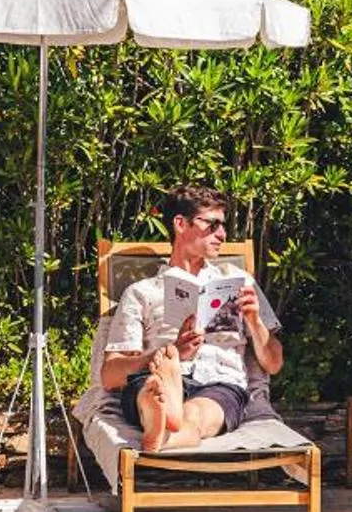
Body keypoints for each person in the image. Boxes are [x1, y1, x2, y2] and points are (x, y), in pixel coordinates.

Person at [101, 184, 284, 454]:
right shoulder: (142, 292)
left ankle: (161, 428)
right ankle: (161, 400)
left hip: (219, 384)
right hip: (154, 377)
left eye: (223, 226)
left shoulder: (238, 283)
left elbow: (274, 363)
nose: (221, 234)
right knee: (150, 389)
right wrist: (167, 354)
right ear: (180, 224)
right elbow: (110, 375)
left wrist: (255, 322)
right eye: (212, 225)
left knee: (197, 413)